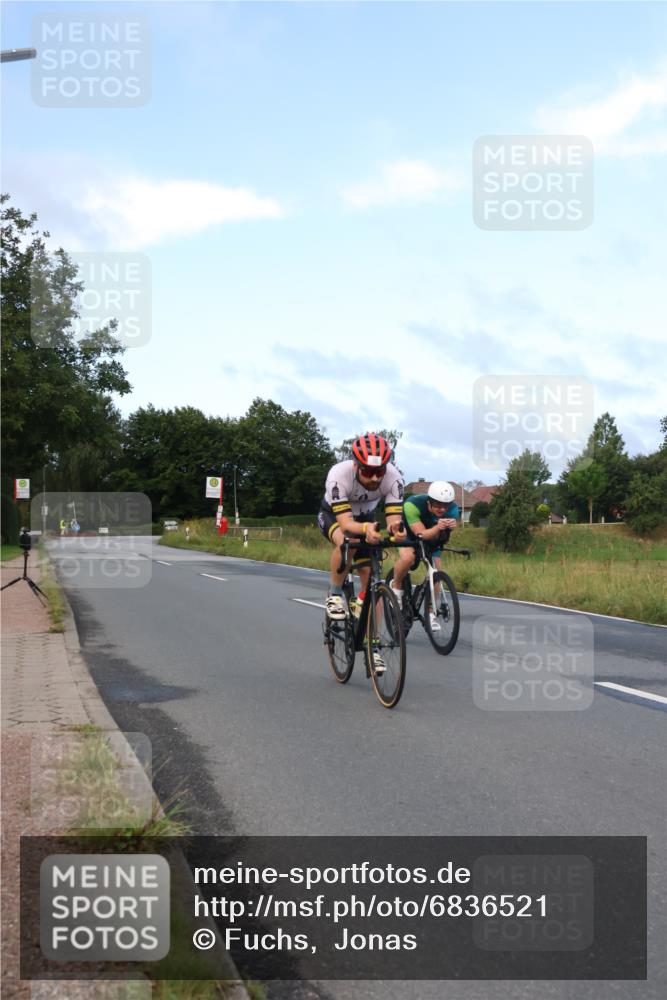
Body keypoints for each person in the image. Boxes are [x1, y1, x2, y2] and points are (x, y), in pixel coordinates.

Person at [318, 433, 407, 654]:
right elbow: (347, 523)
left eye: (379, 472)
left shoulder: (394, 478)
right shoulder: (339, 475)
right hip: (334, 515)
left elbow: (394, 517)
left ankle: (372, 640)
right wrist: (366, 529)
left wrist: (397, 529)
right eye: (368, 471)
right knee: (348, 541)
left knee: (372, 578)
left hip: (366, 517)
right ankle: (335, 593)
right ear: (356, 465)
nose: (375, 478)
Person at [390, 481, 459, 631]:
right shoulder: (412, 505)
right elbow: (421, 534)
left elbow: (443, 534)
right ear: (430, 501)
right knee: (408, 558)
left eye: (446, 505)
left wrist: (451, 526)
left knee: (437, 573)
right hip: (408, 535)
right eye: (438, 505)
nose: (442, 509)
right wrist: (438, 527)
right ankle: (395, 586)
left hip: (431, 538)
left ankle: (430, 613)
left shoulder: (453, 510)